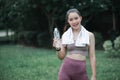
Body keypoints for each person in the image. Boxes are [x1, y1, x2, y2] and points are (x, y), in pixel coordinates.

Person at [53, 8, 96, 80]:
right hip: (65, 72)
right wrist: (57, 48)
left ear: (80, 18)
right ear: (68, 21)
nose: (74, 21)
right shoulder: (65, 35)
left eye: (76, 18)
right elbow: (61, 57)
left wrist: (94, 76)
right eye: (71, 19)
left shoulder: (90, 35)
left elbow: (92, 56)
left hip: (81, 72)